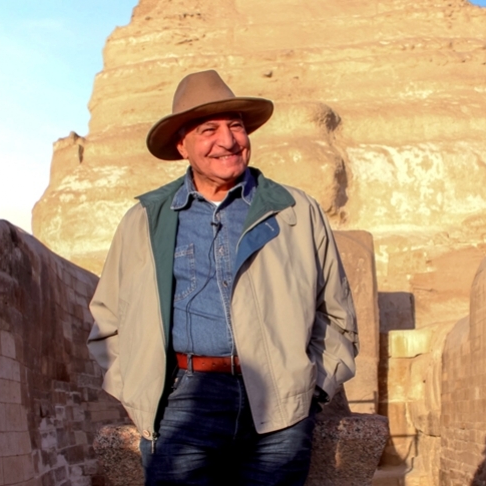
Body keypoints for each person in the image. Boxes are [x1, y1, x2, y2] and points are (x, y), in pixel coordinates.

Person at [87, 69, 358, 485]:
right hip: (183, 403)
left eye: (236, 126)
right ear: (182, 145)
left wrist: (312, 386)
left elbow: (336, 312)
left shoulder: (296, 211)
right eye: (208, 130)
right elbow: (108, 320)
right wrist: (140, 393)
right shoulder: (145, 220)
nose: (228, 141)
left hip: (280, 404)